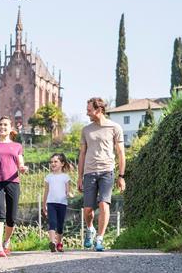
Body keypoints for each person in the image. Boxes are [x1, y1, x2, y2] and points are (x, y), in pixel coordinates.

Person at [77, 97, 126, 252]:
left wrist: (121, 176)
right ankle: (90, 229)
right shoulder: (86, 130)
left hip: (107, 171)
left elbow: (120, 153)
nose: (87, 113)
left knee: (104, 204)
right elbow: (82, 154)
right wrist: (79, 177)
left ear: (98, 110)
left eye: (89, 110)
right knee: (87, 210)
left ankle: (100, 238)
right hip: (89, 172)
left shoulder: (115, 127)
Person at [0, 116, 28, 257]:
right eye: (0, 124)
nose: (2, 127)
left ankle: (7, 241)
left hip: (13, 183)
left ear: (11, 128)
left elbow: (20, 163)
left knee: (11, 218)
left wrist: (23, 168)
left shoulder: (17, 146)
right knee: (0, 214)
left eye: (5, 125)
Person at [43, 153, 72, 253]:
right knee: (52, 222)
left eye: (56, 161)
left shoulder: (65, 177)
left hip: (62, 204)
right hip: (51, 203)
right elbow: (46, 192)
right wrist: (44, 205)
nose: (53, 164)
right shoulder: (48, 177)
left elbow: (67, 190)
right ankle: (52, 243)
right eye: (51, 162)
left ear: (62, 163)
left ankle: (59, 243)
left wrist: (69, 194)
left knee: (60, 225)